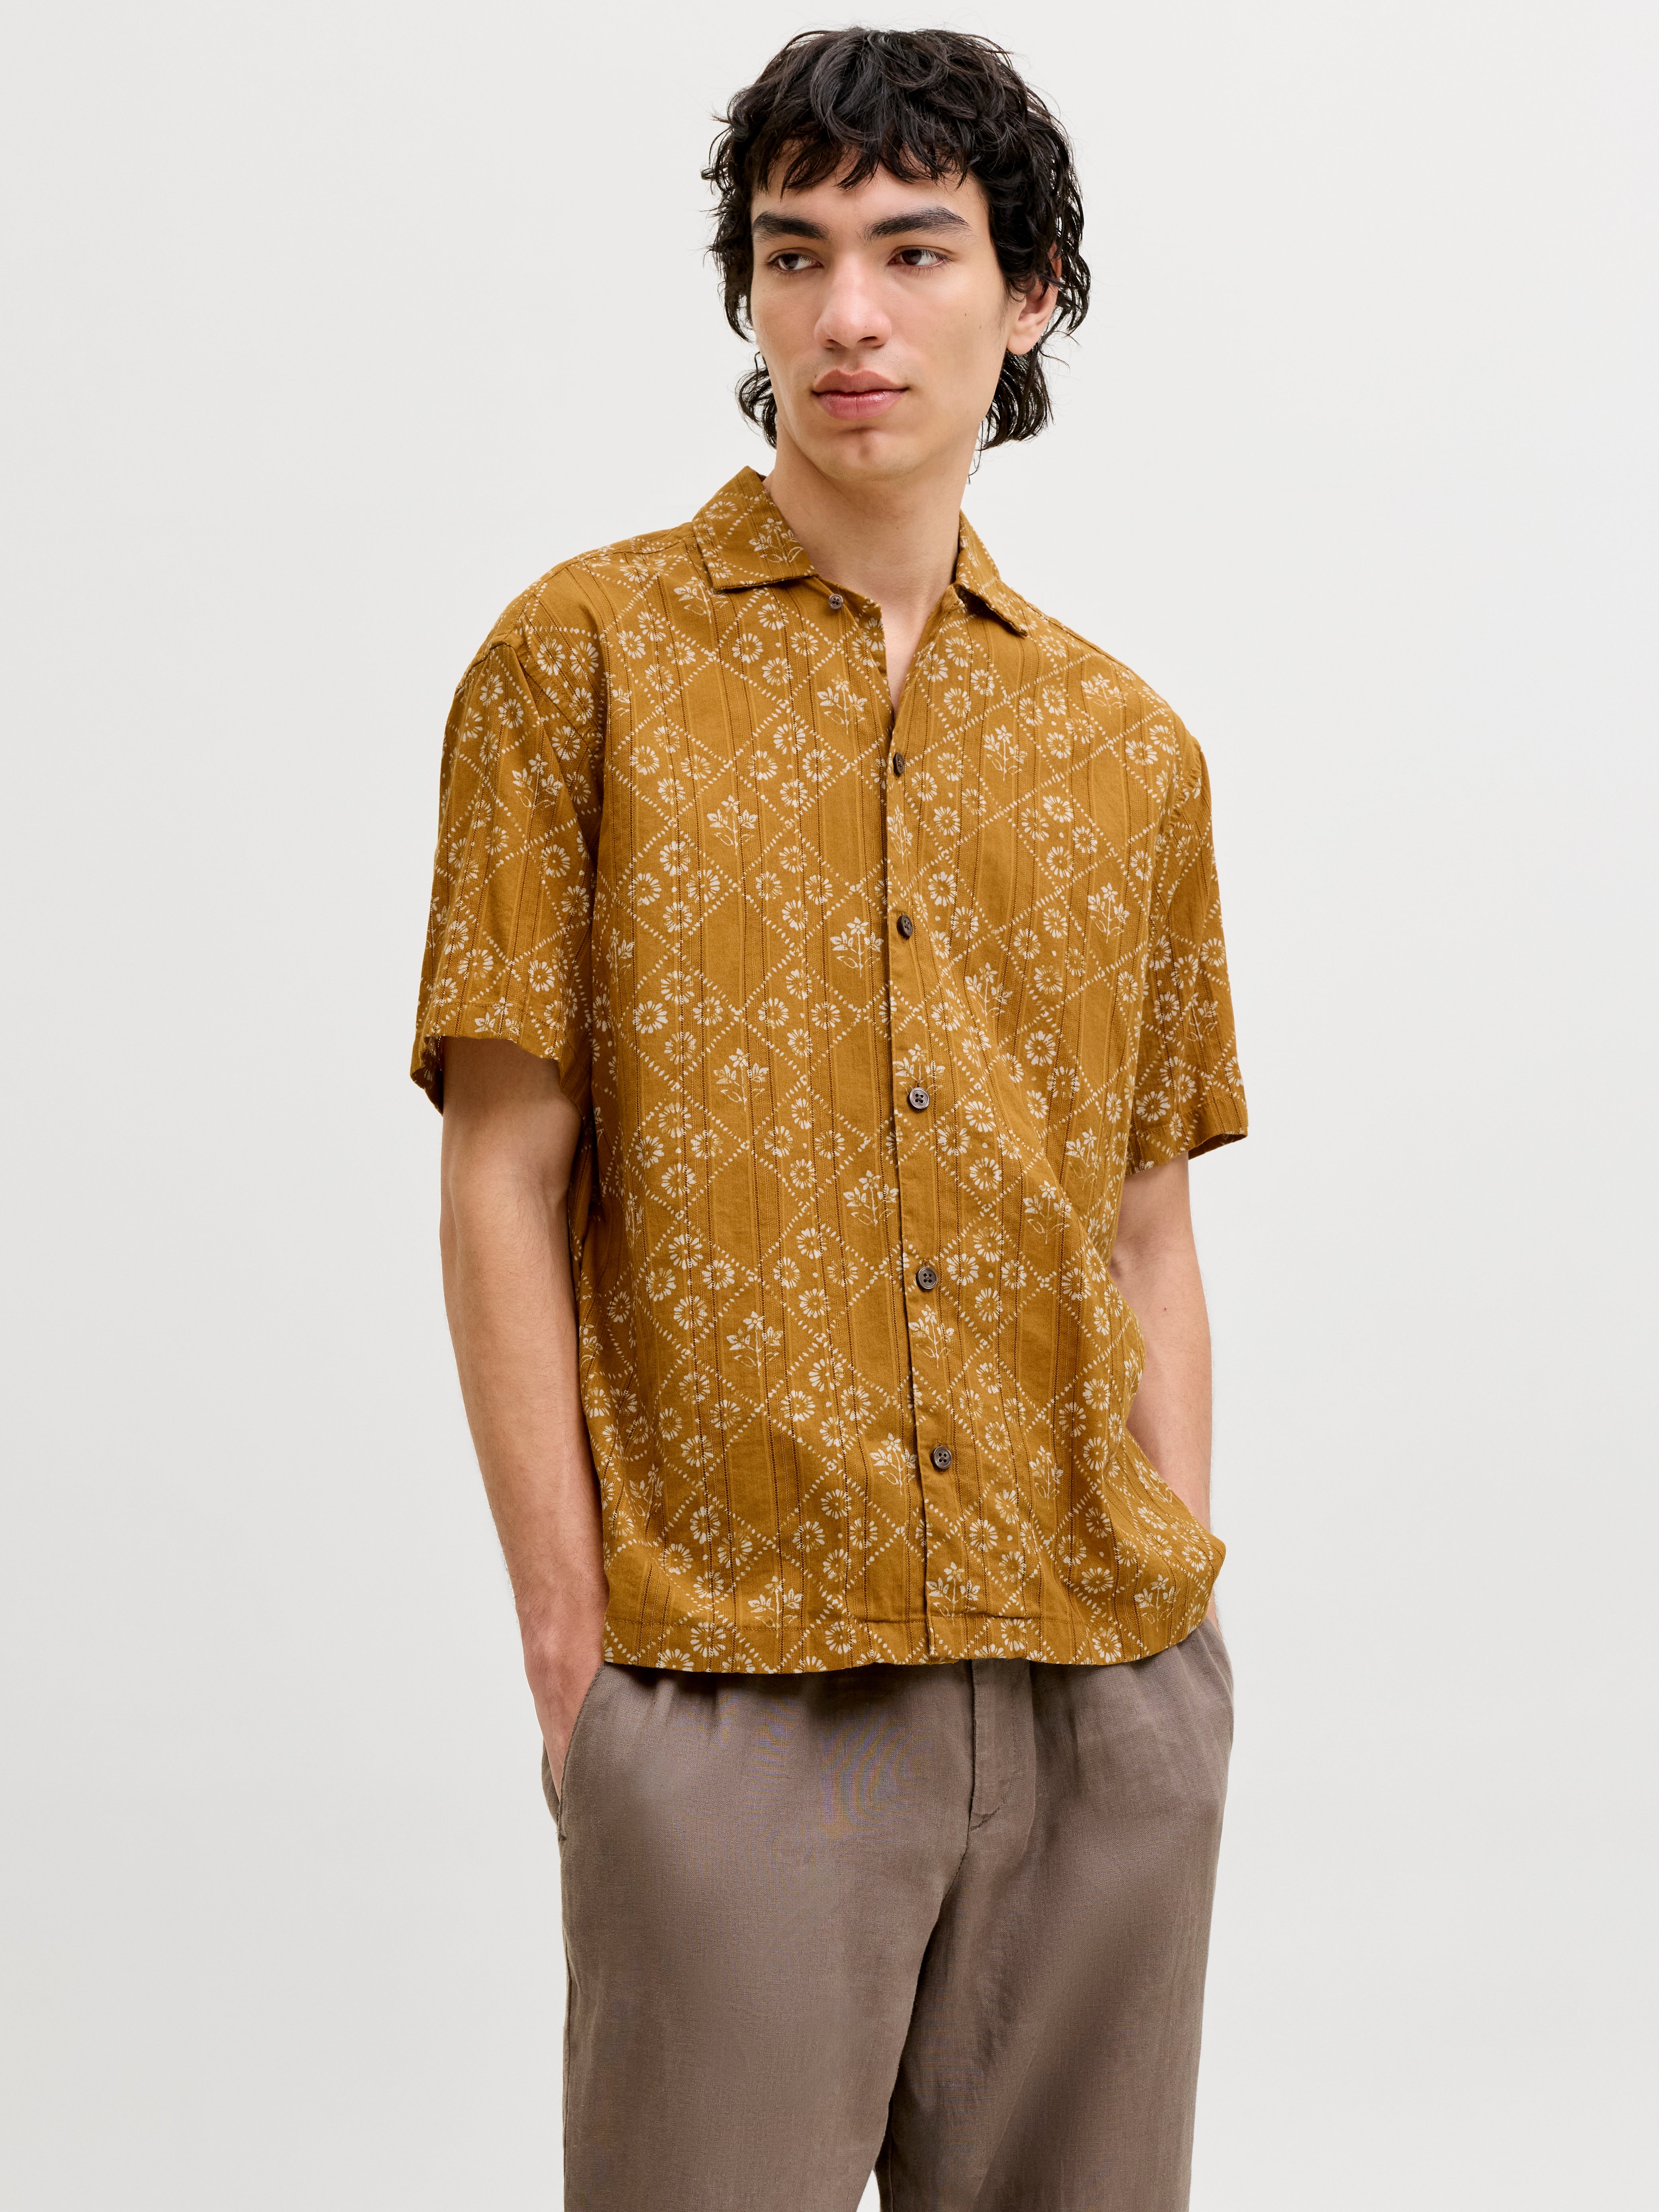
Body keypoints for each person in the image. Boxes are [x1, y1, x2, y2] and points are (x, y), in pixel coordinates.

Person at [410, 25, 1247, 2210]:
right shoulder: (577, 667)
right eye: (795, 258)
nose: (847, 315)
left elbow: (1147, 1225)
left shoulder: (1127, 751)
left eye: (911, 250)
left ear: (1029, 293)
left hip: (1094, 1690)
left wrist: (1176, 1612)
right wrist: (576, 1658)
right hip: (727, 1685)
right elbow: (502, 1177)